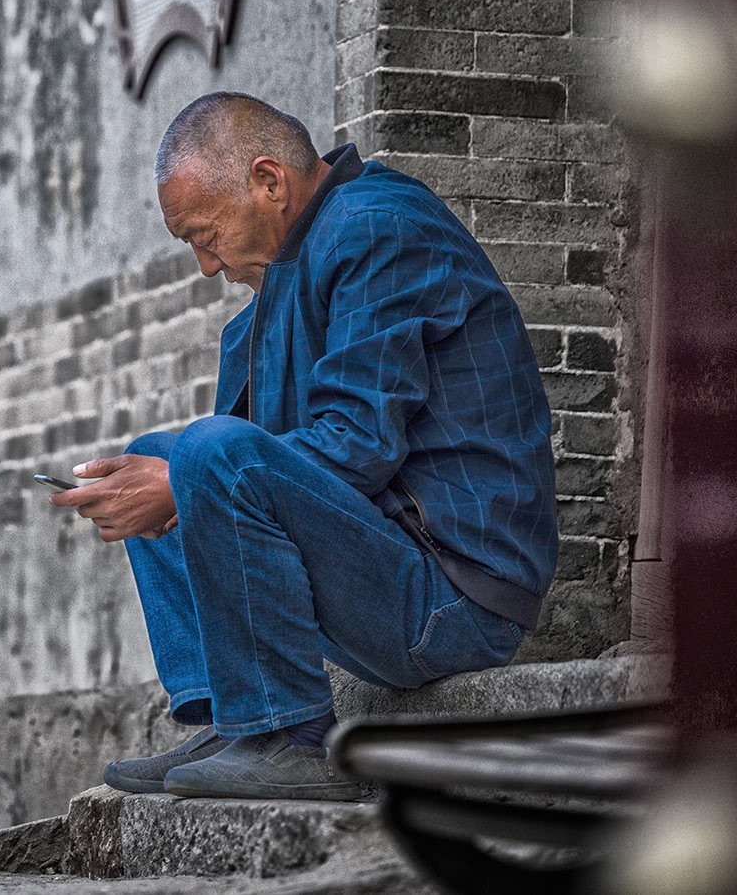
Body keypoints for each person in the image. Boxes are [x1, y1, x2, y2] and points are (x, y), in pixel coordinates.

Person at [49, 92, 558, 800]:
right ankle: (240, 720)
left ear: (269, 180)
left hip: (455, 597)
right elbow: (249, 479)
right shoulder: (283, 283)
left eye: (205, 233)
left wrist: (184, 479)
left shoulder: (379, 229)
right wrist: (170, 482)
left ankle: (293, 738)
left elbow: (354, 446)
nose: (204, 265)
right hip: (384, 569)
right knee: (160, 453)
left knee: (199, 456)